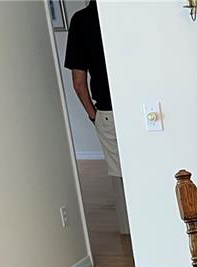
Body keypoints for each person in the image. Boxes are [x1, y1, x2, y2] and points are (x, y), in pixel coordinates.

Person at [64, 0, 129, 233]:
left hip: (107, 110)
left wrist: (94, 115)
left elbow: (78, 82)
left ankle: (130, 233)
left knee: (120, 175)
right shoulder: (126, 13)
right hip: (142, 107)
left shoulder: (81, 21)